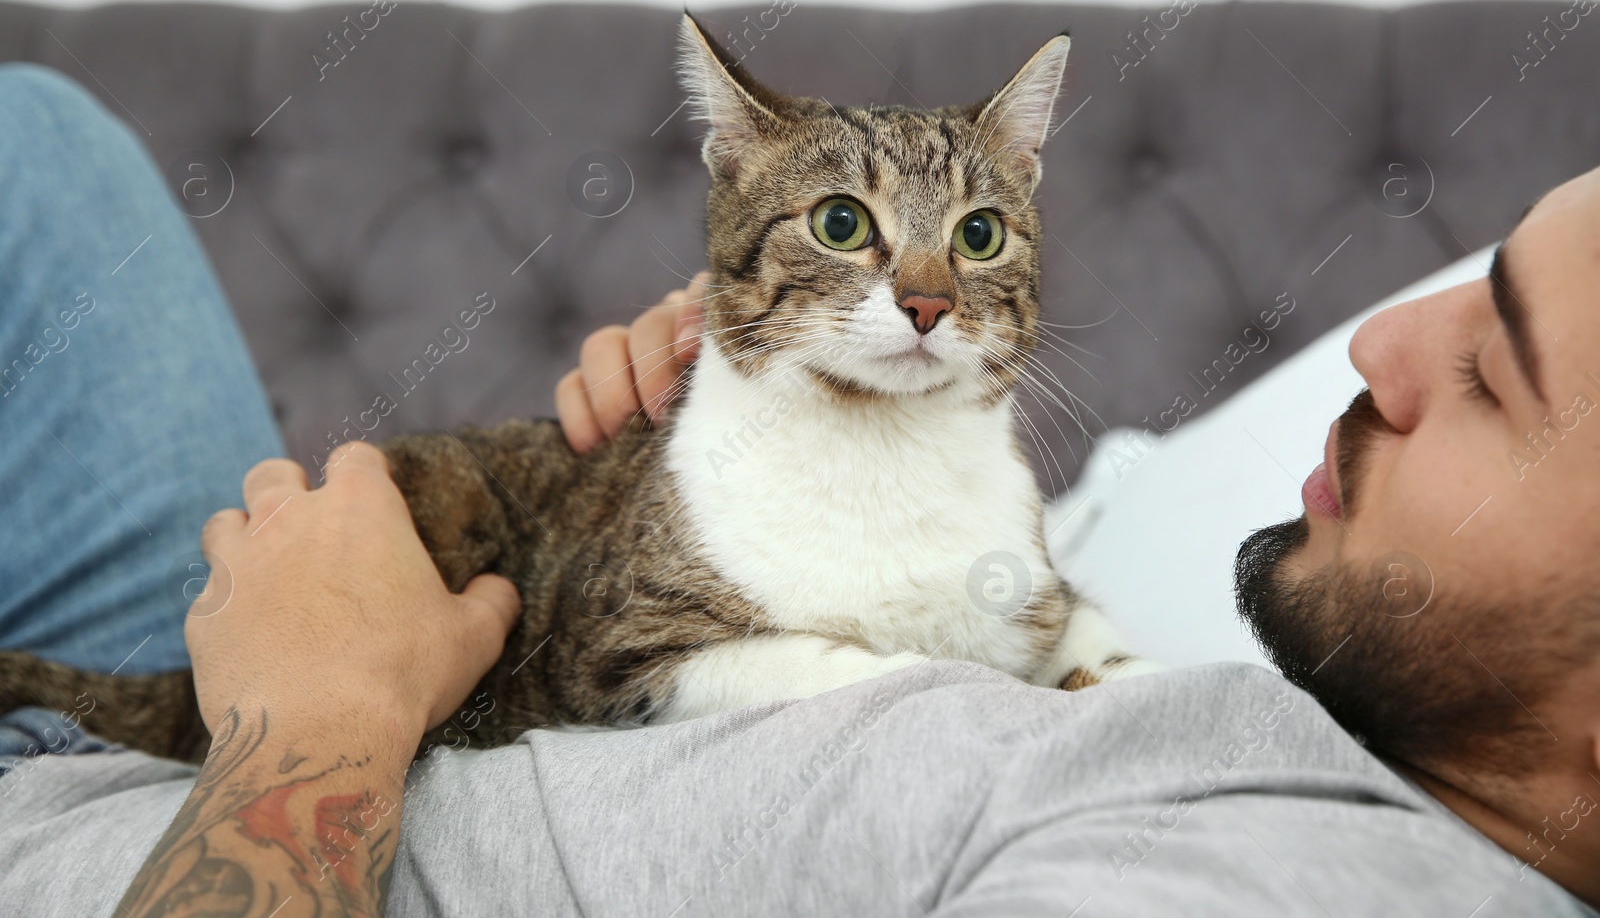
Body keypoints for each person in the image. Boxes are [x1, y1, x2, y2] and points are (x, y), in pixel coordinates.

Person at [0, 62, 1594, 917]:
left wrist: (318, 720)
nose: (1380, 334)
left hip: (216, 810)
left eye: (1497, 367)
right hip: (277, 652)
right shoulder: (1261, 720)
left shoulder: (1314, 878)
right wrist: (748, 394)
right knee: (40, 148)